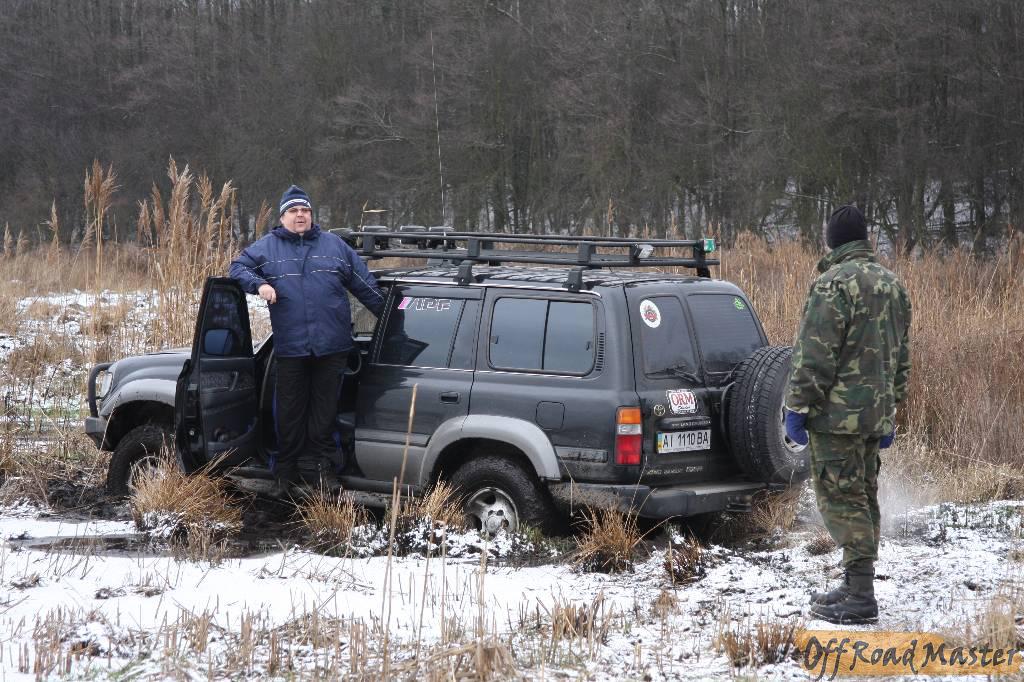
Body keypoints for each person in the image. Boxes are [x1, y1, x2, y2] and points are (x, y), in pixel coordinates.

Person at [784, 205, 912, 625]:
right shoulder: (893, 285)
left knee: (842, 500)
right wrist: (890, 411)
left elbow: (814, 356)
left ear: (832, 240)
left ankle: (860, 596)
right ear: (864, 238)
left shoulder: (832, 284)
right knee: (863, 496)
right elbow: (901, 359)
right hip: (874, 418)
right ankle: (856, 583)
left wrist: (797, 406)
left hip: (836, 420)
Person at [229, 185, 385, 489]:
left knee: (325, 413)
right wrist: (259, 285)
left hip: (333, 348)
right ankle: (285, 472)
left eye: (305, 210)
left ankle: (321, 469)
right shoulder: (267, 248)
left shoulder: (335, 246)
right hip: (291, 348)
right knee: (289, 413)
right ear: (282, 217)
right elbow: (237, 268)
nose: (300, 215)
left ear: (311, 214)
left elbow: (367, 289)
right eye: (293, 210)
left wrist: (399, 321)